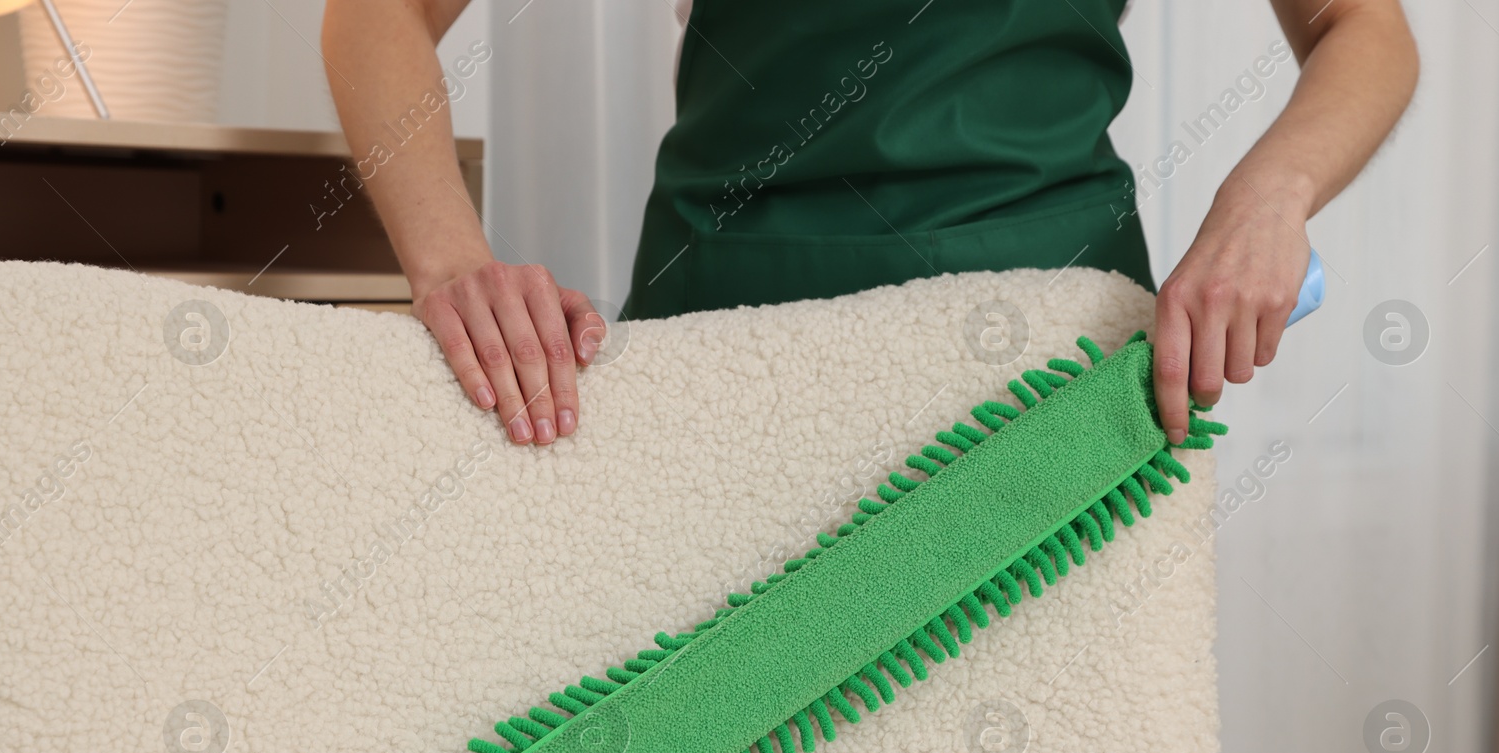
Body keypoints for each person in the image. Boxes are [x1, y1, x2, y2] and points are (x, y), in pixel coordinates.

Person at [323, 0, 1417, 448]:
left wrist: (1263, 201)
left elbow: (1357, 23)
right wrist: (449, 262)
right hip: (725, 361)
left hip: (1046, 382)